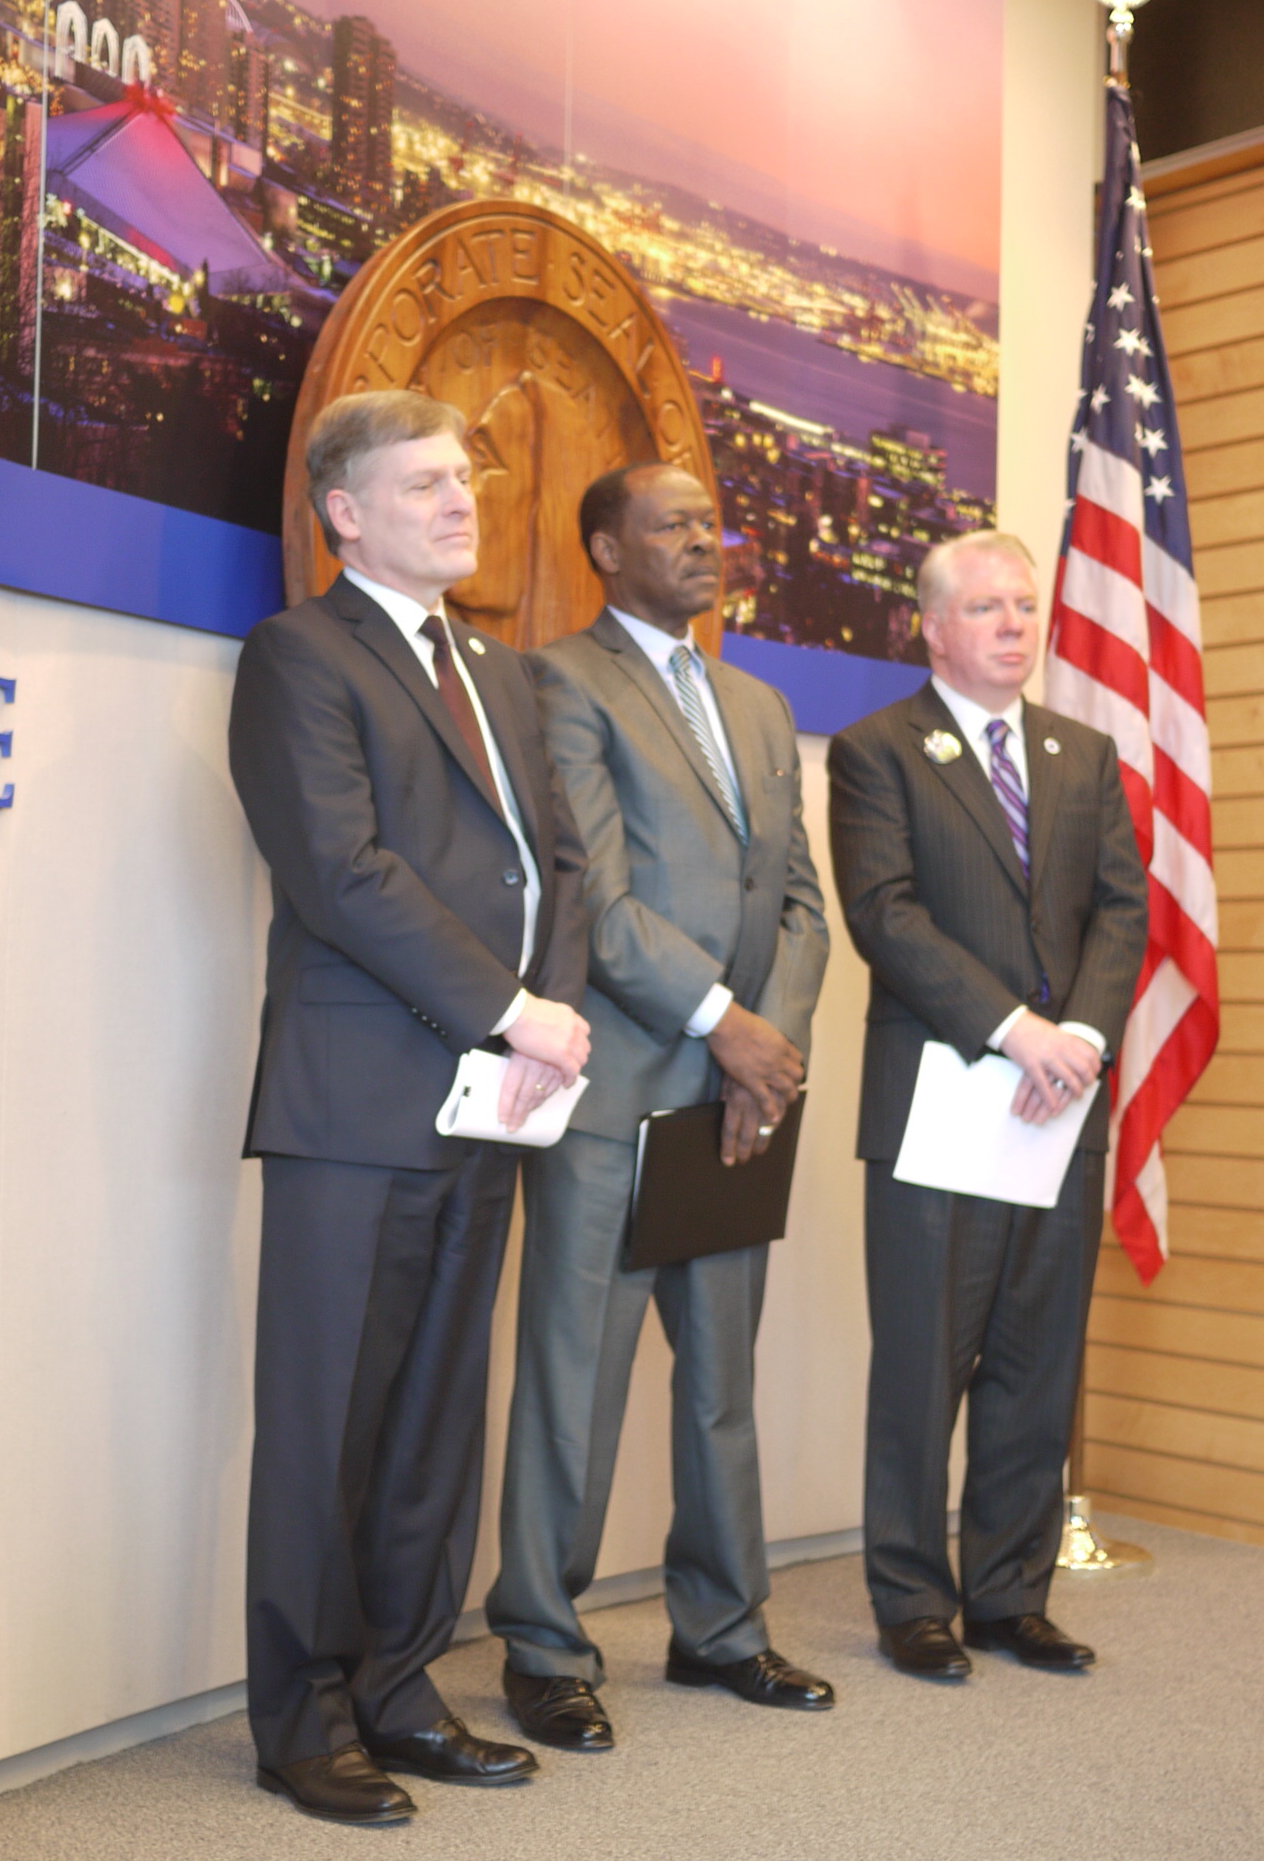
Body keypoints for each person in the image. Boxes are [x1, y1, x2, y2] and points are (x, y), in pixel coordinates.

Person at [226, 389, 591, 1825]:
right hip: (355, 1100)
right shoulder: (298, 656)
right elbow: (339, 867)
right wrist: (513, 1011)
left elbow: (555, 867)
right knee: (329, 1423)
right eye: (426, 481)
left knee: (439, 1413)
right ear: (346, 512)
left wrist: (541, 1033)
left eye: (465, 478)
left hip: (492, 1095)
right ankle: (302, 1719)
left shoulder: (503, 674)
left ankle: (399, 1689)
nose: (461, 499)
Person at [484, 463, 834, 1751]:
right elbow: (595, 899)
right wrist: (721, 1024)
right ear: (604, 546)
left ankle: (721, 1629)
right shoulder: (559, 681)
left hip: (740, 1093)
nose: (705, 539)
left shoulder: (754, 700)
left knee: (720, 1380)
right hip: (616, 1089)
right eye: (673, 524)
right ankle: (540, 1641)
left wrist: (768, 1048)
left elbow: (800, 896)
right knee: (574, 1378)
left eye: (710, 521)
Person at [826, 530, 1145, 1684]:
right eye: (986, 607)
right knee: (922, 1365)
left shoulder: (1082, 751)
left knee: (1034, 1358)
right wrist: (1018, 1031)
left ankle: (1010, 1593)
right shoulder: (877, 751)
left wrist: (1085, 1043)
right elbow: (885, 914)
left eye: (1023, 605)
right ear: (931, 625)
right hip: (944, 1101)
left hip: (1060, 1105)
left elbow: (1121, 909)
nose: (1013, 624)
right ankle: (912, 1599)